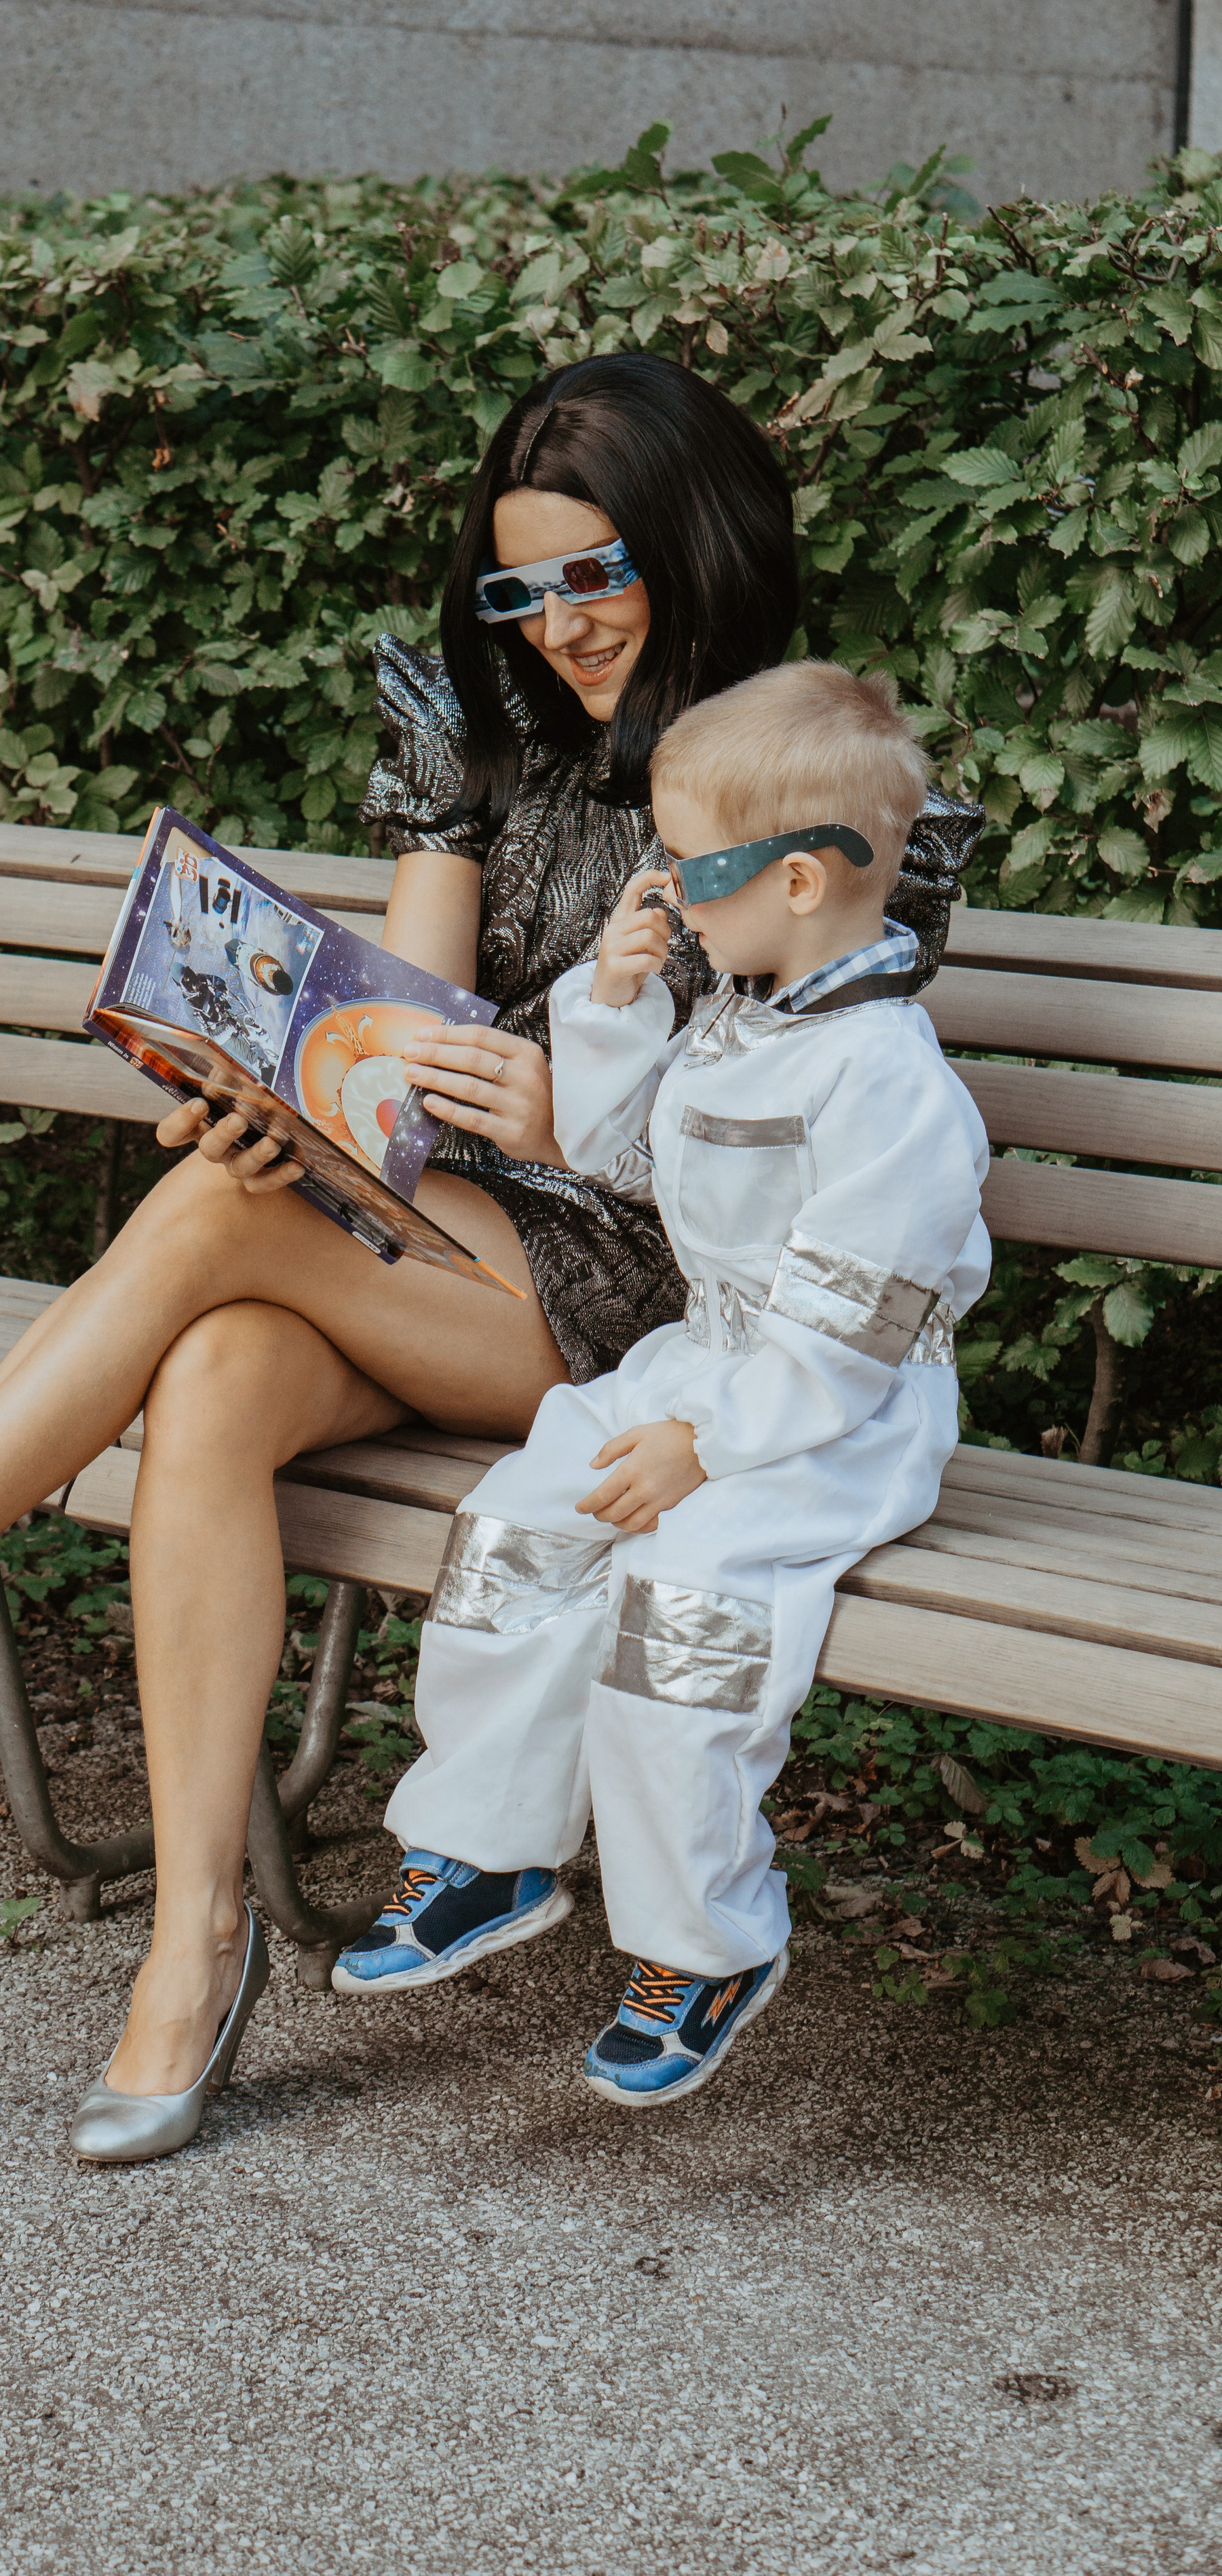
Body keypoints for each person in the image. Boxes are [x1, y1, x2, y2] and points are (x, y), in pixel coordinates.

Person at [0, 352, 976, 2166]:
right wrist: (286, 1101)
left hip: (668, 1299)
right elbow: (403, 1053)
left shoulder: (837, 784)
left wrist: (564, 1105)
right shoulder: (483, 739)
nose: (562, 625)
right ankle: (192, 1942)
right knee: (217, 1359)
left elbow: (807, 1098)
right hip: (459, 1234)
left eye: (597, 574)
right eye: (518, 588)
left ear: (695, 544)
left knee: (224, 1242)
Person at [332, 661, 992, 2108]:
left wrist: (706, 1442)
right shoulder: (744, 1006)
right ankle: (490, 1852)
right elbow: (627, 1163)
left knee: (683, 1603)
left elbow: (844, 1335)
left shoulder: (886, 1082)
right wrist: (615, 997)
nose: (667, 891)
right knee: (523, 1524)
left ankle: (702, 1945)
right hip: (704, 1366)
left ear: (804, 880)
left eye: (685, 867)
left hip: (835, 1413)